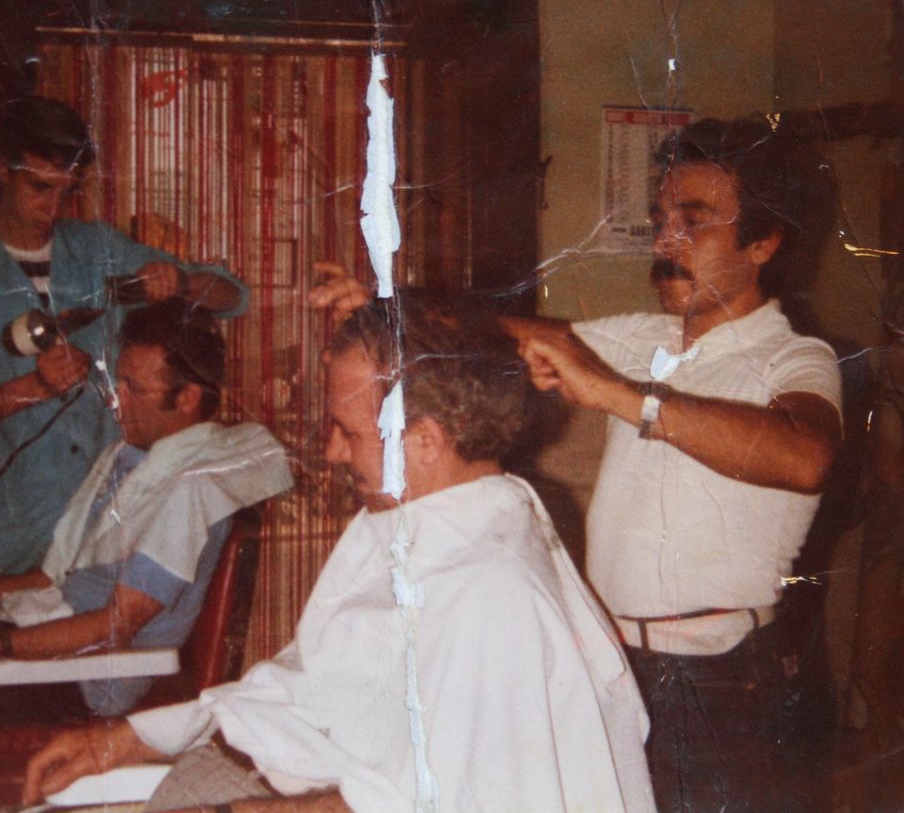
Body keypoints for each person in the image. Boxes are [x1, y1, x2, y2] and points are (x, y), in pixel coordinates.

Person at [310, 117, 844, 811]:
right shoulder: (645, 338)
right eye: (661, 221)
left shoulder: (796, 359)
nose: (665, 243)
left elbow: (805, 457)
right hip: (617, 658)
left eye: (694, 222)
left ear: (764, 243)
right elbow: (506, 335)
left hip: (725, 678)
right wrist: (394, 311)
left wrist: (621, 395)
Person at [22, 292, 655, 813]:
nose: (331, 452)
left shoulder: (491, 589)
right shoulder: (408, 517)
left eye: (348, 432)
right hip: (256, 771)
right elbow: (313, 680)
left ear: (425, 440)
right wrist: (128, 739)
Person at [0, 96, 250, 579]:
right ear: (4, 169)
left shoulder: (97, 249)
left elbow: (233, 296)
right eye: (40, 188)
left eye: (66, 192)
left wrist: (180, 281)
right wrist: (34, 388)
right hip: (4, 534)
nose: (53, 209)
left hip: (99, 520)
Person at [0, 300, 291, 717]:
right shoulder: (128, 458)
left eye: (134, 389)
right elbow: (48, 578)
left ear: (188, 397)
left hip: (82, 682)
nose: (116, 401)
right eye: (118, 383)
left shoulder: (189, 491)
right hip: (40, 633)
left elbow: (115, 626)